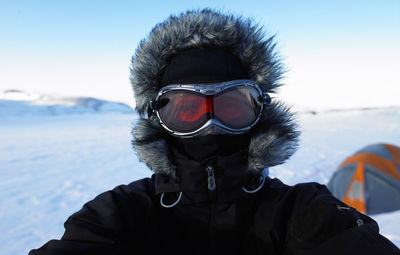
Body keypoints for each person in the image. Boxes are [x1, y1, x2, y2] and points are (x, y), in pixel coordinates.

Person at [29, 9, 399, 255]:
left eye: (232, 106)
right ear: (158, 120)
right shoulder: (119, 214)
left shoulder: (304, 212)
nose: (211, 126)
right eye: (186, 110)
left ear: (260, 113)